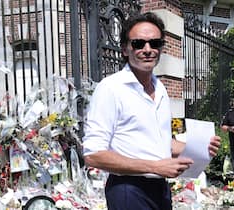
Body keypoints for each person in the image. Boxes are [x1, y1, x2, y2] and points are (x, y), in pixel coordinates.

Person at [82, 12, 221, 210]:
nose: (148, 49)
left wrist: (198, 148)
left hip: (160, 189)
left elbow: (161, 141)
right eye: (139, 43)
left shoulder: (160, 88)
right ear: (125, 49)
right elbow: (93, 154)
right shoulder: (111, 88)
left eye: (155, 43)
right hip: (128, 189)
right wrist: (155, 167)